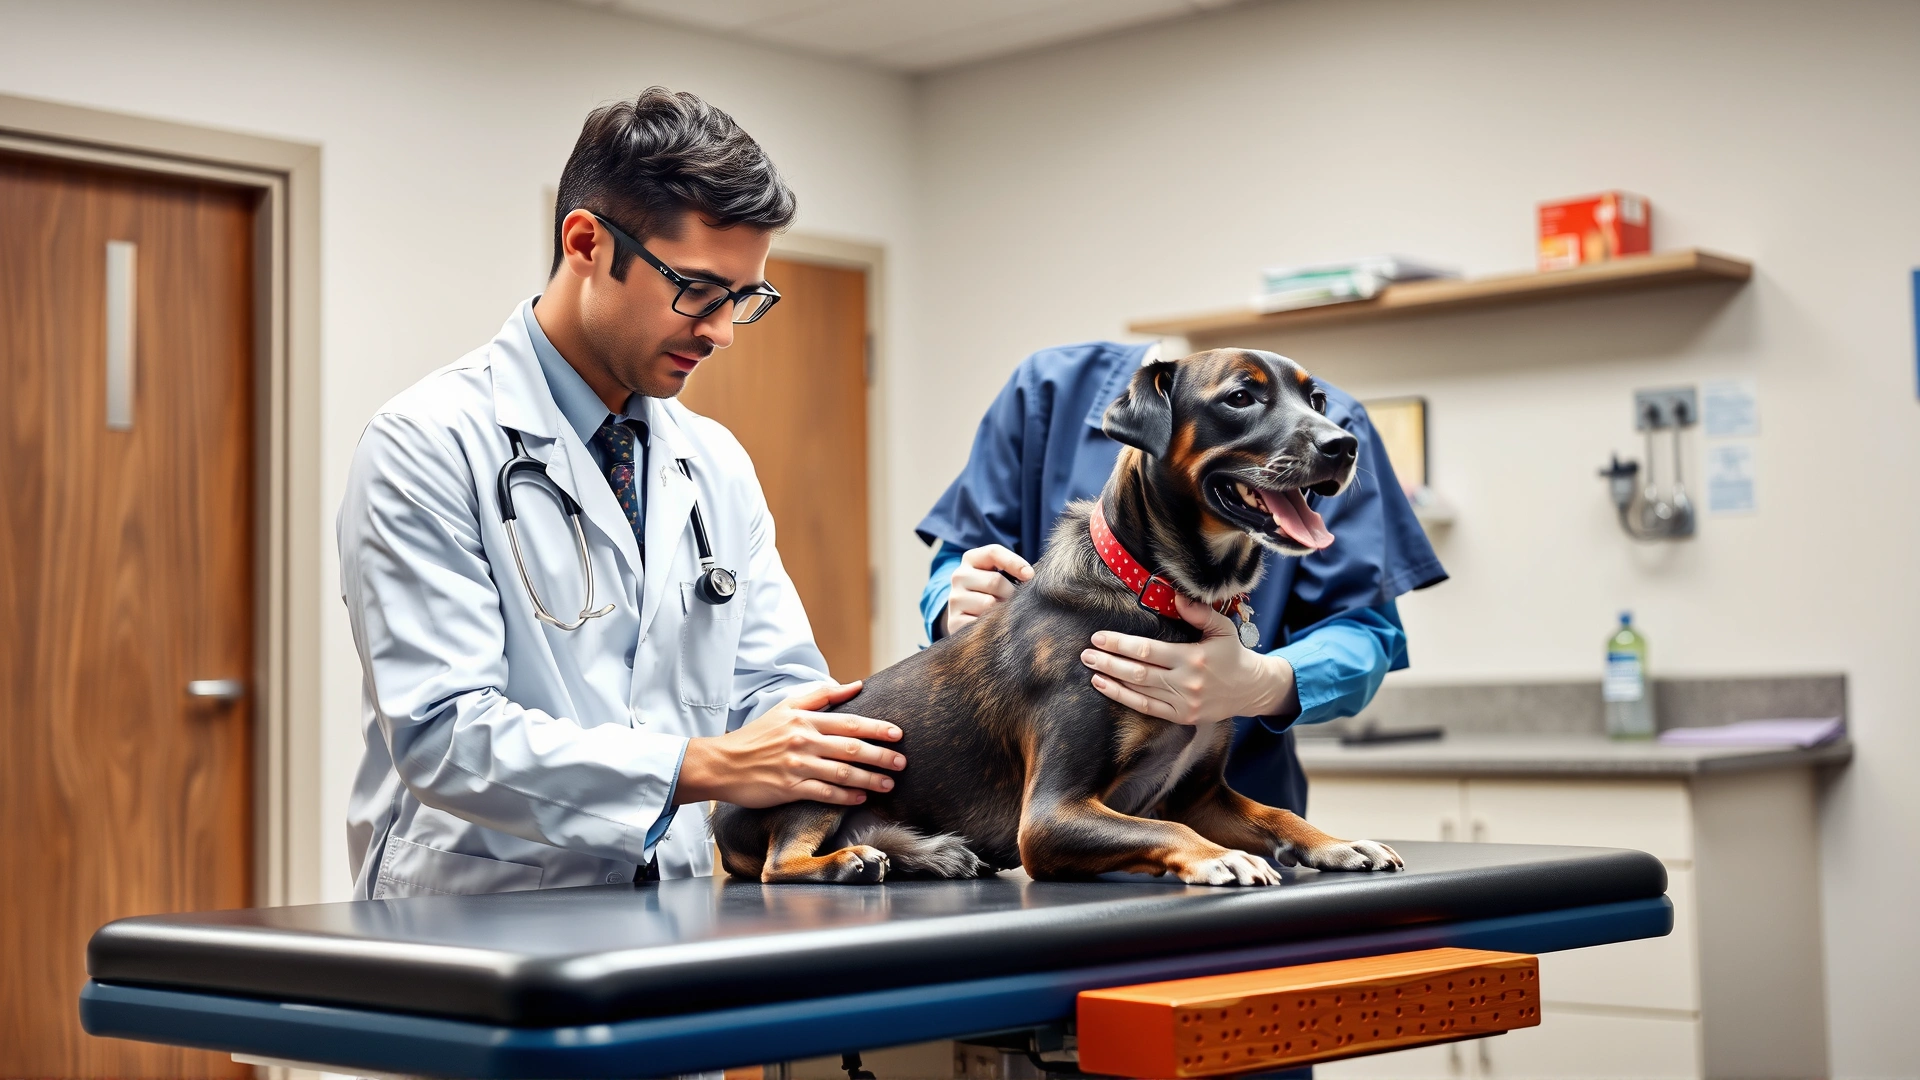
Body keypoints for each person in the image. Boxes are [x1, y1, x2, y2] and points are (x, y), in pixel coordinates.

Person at [338, 89, 904, 899]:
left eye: (745, 299)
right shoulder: (427, 441)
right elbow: (442, 733)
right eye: (700, 291)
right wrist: (702, 766)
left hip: (670, 903)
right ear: (587, 244)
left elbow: (776, 689)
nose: (721, 332)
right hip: (475, 909)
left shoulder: (714, 464)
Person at [918, 341, 1447, 815]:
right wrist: (952, 602)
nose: (1323, 426)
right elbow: (958, 555)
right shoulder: (1047, 391)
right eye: (1239, 398)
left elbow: (1367, 631)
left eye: (1315, 405)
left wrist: (1261, 683)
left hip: (1234, 818)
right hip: (1048, 821)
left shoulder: (1334, 424)